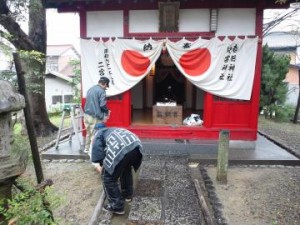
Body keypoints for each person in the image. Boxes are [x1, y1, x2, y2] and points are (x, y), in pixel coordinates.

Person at [91, 123, 143, 215]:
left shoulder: (98, 134)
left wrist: (101, 165)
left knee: (108, 178)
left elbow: (97, 154)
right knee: (126, 168)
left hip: (121, 147)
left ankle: (117, 206)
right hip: (136, 145)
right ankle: (127, 194)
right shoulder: (112, 129)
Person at [83, 76, 110, 153]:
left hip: (86, 115)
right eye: (106, 86)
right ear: (104, 84)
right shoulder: (101, 91)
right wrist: (106, 111)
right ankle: (93, 151)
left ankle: (86, 149)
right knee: (95, 134)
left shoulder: (90, 89)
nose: (106, 88)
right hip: (94, 116)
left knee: (88, 133)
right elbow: (102, 105)